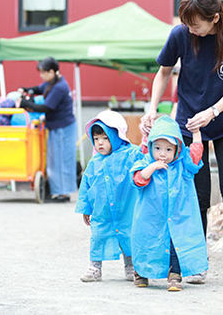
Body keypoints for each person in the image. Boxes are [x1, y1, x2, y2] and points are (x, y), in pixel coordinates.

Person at [140, 0, 223, 285]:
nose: (191, 30)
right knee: (196, 195)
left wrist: (212, 111)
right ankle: (196, 260)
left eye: (196, 24)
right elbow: (164, 72)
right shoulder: (180, 35)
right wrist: (152, 108)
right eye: (187, 24)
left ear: (215, 18)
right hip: (188, 126)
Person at [131, 115, 207, 292]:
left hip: (177, 217)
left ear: (177, 149)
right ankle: (141, 272)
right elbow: (138, 179)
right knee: (146, 242)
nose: (162, 154)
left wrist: (196, 133)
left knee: (175, 244)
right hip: (149, 217)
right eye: (157, 148)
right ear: (150, 147)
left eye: (168, 149)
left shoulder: (183, 165)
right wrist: (152, 167)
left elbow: (196, 153)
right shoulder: (146, 162)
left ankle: (175, 274)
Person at [75, 110, 143, 282]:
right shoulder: (94, 162)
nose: (100, 143)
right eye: (96, 139)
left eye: (105, 138)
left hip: (125, 209)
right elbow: (86, 186)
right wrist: (85, 208)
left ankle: (131, 266)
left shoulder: (130, 154)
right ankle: (94, 268)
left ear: (117, 135)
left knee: (127, 237)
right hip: (102, 211)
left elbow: (143, 159)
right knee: (98, 236)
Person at [18, 57, 77, 201]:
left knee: (61, 161)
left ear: (52, 71)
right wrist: (27, 89)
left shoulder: (59, 87)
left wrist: (25, 103)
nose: (41, 76)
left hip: (63, 128)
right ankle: (58, 191)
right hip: (58, 126)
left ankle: (63, 194)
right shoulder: (52, 83)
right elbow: (40, 88)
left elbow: (47, 107)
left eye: (44, 73)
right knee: (55, 160)